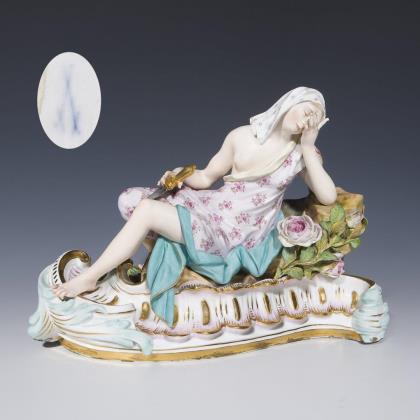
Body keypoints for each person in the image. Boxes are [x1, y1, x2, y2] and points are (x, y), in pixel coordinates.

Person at [52, 86, 336, 326]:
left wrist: (308, 147)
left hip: (235, 234)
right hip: (213, 209)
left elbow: (327, 196)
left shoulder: (301, 154)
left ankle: (90, 277)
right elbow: (207, 177)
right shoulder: (240, 136)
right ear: (290, 102)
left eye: (315, 119)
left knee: (148, 211)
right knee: (130, 200)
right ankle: (158, 263)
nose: (307, 121)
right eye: (306, 111)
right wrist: (181, 174)